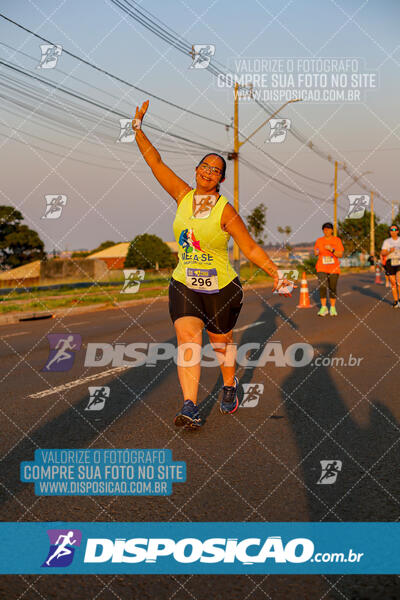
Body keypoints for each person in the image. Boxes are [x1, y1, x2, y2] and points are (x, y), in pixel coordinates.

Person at [133, 100, 281, 428]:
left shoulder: (225, 212)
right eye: (205, 166)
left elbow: (251, 247)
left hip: (221, 286)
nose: (209, 171)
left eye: (216, 169)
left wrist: (275, 272)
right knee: (187, 338)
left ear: (221, 179)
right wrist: (138, 128)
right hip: (185, 281)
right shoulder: (182, 195)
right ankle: (189, 405)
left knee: (220, 343)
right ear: (196, 170)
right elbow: (154, 161)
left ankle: (229, 384)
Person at [314, 222, 344, 316]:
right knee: (322, 286)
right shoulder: (319, 240)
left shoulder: (337, 240)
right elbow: (316, 251)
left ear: (332, 230)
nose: (326, 231)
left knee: (332, 287)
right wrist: (317, 251)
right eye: (324, 229)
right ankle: (323, 308)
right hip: (321, 266)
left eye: (328, 229)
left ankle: (333, 308)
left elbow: (340, 254)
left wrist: (332, 250)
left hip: (333, 268)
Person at [381, 224, 400, 307]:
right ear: (389, 232)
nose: (393, 231)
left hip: (399, 261)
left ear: (398, 231)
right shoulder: (387, 241)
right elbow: (383, 252)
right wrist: (389, 251)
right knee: (393, 282)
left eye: (395, 229)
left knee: (399, 281)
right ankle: (396, 301)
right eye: (391, 230)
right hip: (390, 262)